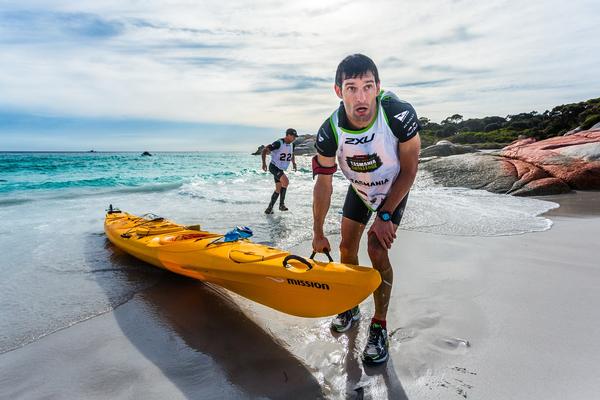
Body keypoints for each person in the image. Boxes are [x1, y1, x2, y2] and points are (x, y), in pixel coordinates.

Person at [311, 54, 421, 365]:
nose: (360, 97)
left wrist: (385, 215)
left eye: (367, 87)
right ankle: (351, 305)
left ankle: (379, 325)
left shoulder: (399, 114)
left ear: (377, 87)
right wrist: (318, 232)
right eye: (351, 88)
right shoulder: (329, 131)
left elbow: (410, 170)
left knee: (376, 249)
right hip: (360, 189)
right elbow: (323, 183)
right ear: (338, 91)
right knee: (346, 247)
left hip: (393, 186)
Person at [261, 128, 298, 214]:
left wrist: (294, 163)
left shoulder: (292, 145)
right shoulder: (278, 143)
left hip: (280, 168)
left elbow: (291, 153)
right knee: (286, 182)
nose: (294, 138)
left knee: (278, 189)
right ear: (288, 135)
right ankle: (281, 205)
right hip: (274, 167)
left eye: (295, 137)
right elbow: (264, 150)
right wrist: (264, 164)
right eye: (293, 136)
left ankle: (269, 209)